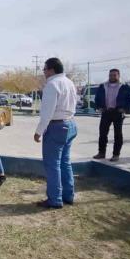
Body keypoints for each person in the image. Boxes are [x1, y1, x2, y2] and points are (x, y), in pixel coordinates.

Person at [33, 58, 78, 208]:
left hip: (56, 127)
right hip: (70, 124)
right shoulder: (69, 82)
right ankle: (68, 195)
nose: (44, 72)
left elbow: (47, 113)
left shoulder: (52, 85)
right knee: (65, 162)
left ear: (51, 70)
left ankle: (55, 199)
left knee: (52, 165)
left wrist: (38, 132)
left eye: (44, 69)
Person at [93, 69, 130, 162]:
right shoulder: (103, 86)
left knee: (118, 134)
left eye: (114, 75)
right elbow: (97, 98)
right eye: (111, 75)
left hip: (118, 112)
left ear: (118, 76)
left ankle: (116, 154)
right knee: (102, 133)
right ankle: (101, 153)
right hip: (106, 112)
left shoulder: (124, 86)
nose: (112, 77)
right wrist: (99, 107)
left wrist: (125, 109)